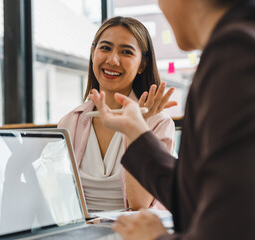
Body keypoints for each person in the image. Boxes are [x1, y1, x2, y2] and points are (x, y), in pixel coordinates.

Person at [90, 0, 255, 239]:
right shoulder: (236, 47)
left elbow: (227, 229)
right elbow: (195, 198)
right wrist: (137, 133)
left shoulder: (235, 53)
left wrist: (155, 238)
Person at [58, 16, 177, 211]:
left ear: (142, 65)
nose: (112, 60)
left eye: (126, 52)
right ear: (92, 52)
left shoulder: (158, 123)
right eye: (105, 48)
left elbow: (140, 204)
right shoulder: (70, 122)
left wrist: (136, 129)